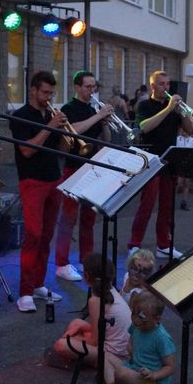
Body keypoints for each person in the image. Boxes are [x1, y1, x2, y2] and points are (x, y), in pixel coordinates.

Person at [10, 70, 72, 312]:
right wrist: (49, 126)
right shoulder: (20, 116)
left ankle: (38, 284)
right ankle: (24, 292)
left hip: (53, 179)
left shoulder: (50, 114)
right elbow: (27, 150)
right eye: (44, 92)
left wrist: (64, 132)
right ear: (33, 90)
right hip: (32, 180)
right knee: (33, 234)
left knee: (46, 235)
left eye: (51, 93)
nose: (48, 97)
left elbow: (62, 145)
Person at [54, 71, 113, 281]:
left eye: (93, 87)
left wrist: (105, 122)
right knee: (68, 219)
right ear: (77, 87)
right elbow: (73, 131)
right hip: (73, 167)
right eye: (87, 87)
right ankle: (61, 263)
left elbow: (105, 139)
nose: (91, 91)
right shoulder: (68, 109)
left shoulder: (92, 109)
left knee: (89, 219)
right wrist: (98, 115)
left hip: (93, 167)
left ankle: (85, 261)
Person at [129, 71, 193, 259]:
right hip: (151, 161)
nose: (165, 87)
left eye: (167, 84)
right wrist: (168, 109)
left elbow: (189, 130)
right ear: (153, 86)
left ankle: (164, 244)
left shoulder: (174, 108)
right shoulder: (145, 105)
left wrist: (184, 112)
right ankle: (134, 243)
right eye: (161, 84)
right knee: (147, 204)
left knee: (167, 206)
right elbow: (144, 127)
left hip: (169, 161)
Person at [51, 254, 131, 384]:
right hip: (115, 343)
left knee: (61, 345)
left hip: (115, 355)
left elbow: (95, 340)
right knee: (76, 323)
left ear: (87, 276)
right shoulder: (110, 290)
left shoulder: (95, 301)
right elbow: (103, 329)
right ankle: (85, 356)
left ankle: (97, 362)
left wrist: (74, 340)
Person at [107, 291, 176, 384]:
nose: (135, 319)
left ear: (157, 319)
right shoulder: (136, 326)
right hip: (136, 368)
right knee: (107, 357)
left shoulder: (162, 338)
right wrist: (130, 349)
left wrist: (154, 375)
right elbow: (131, 342)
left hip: (154, 381)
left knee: (120, 373)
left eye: (142, 317)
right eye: (133, 313)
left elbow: (170, 367)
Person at [175, 127, 193, 210]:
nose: (183, 132)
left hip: (189, 163)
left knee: (187, 182)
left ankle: (184, 202)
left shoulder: (192, 140)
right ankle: (171, 201)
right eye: (182, 130)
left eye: (185, 130)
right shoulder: (177, 139)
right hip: (180, 163)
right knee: (178, 182)